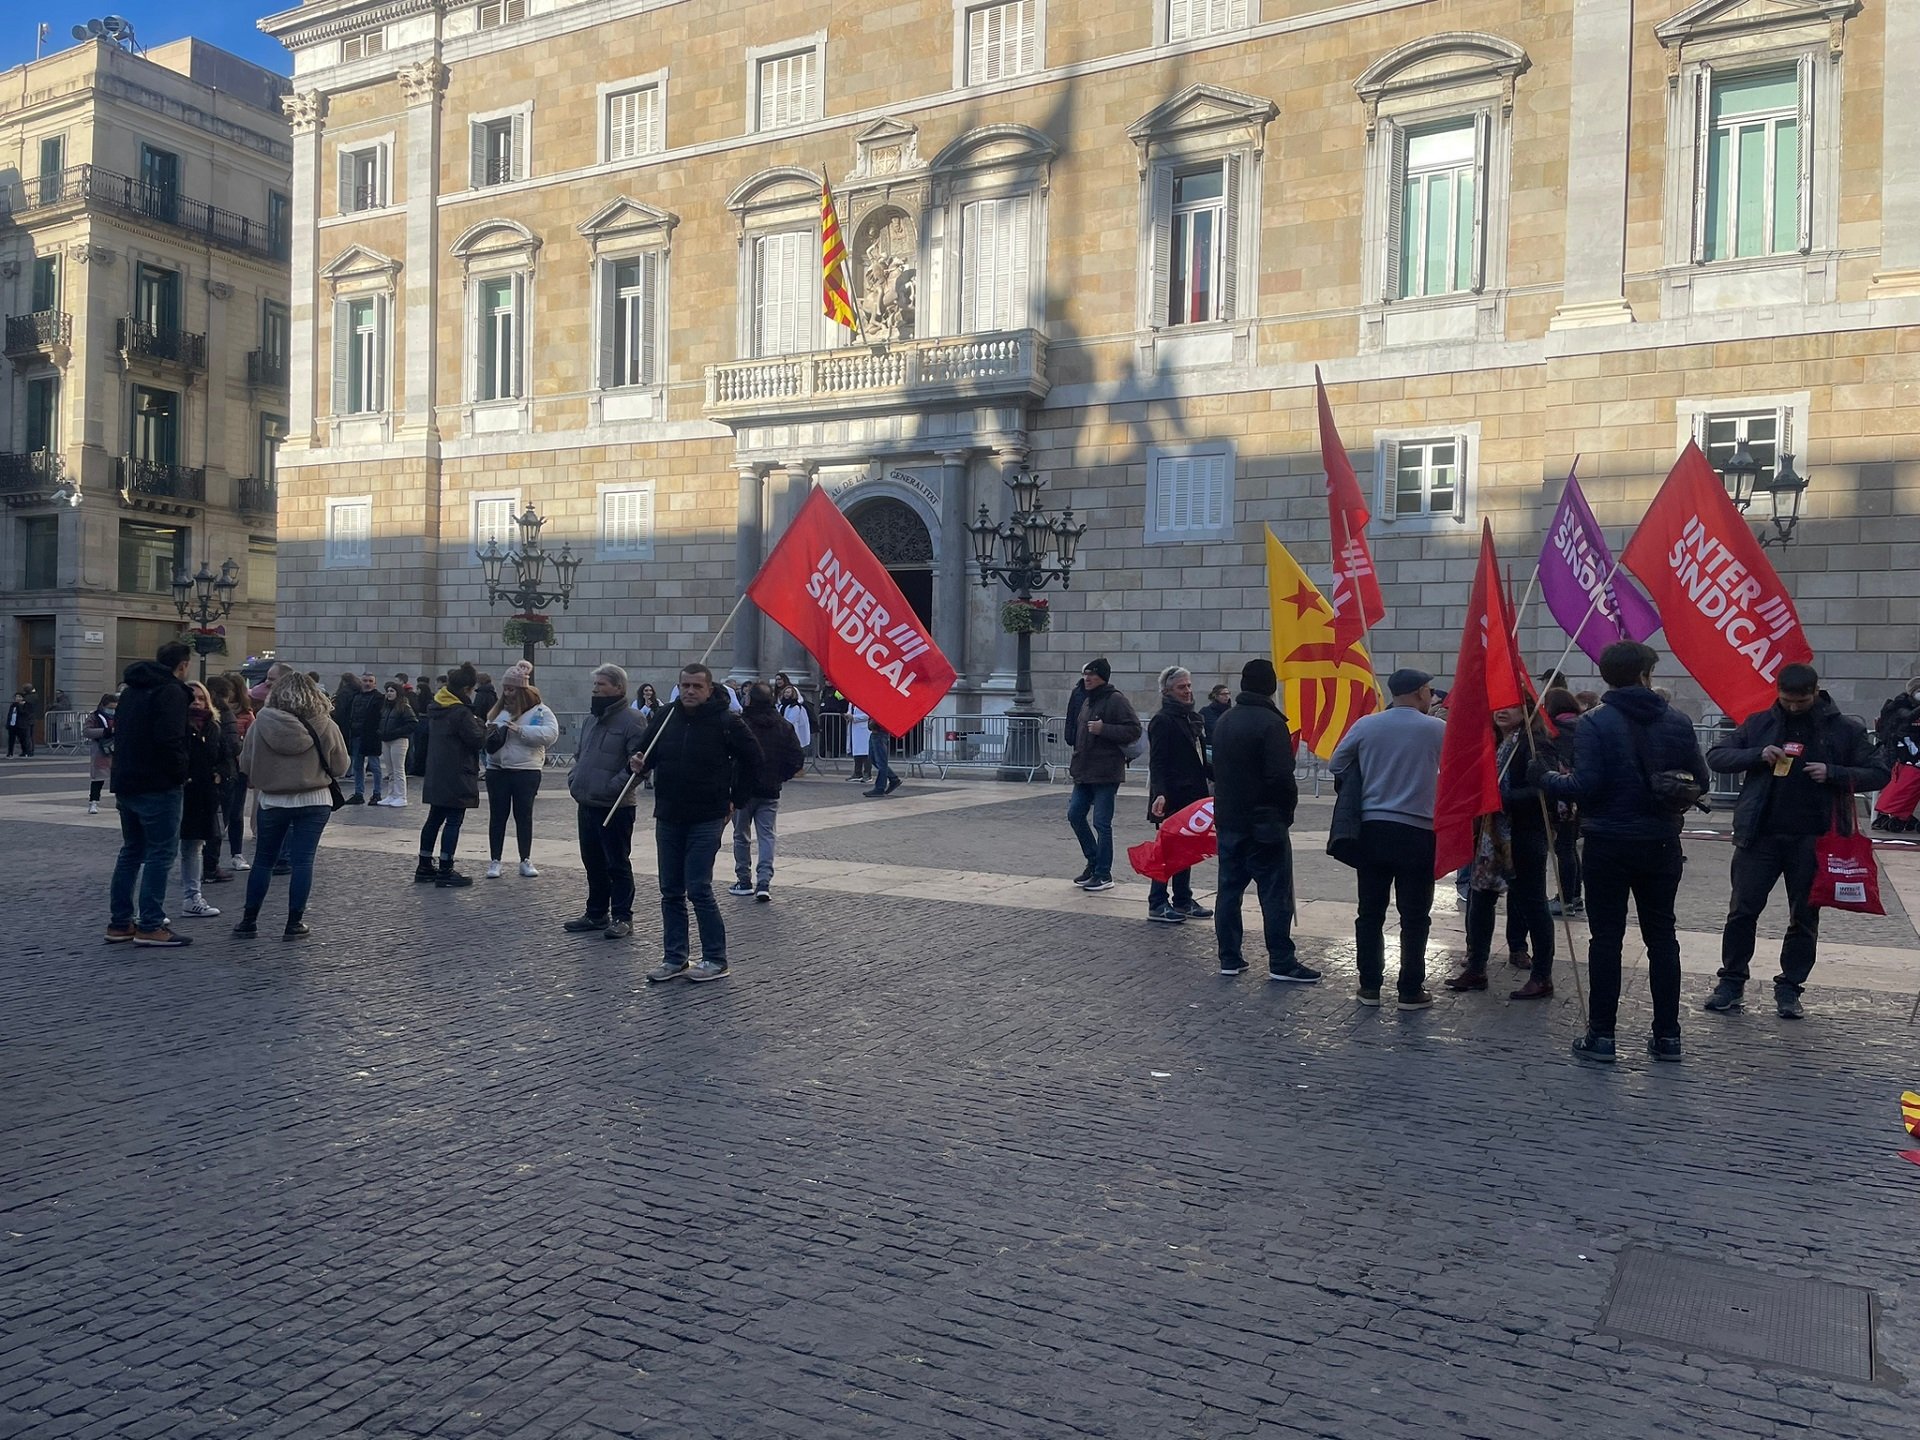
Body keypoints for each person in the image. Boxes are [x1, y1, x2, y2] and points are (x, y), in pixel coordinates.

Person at [1541, 641, 1709, 1064]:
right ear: (1645, 674)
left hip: (1607, 844)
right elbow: (1700, 781)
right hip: (1661, 842)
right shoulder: (1677, 721)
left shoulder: (1595, 723)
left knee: (1606, 941)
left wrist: (1545, 778)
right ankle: (1668, 1037)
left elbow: (1584, 786)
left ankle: (1602, 1037)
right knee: (1662, 938)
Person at [1703, 663, 1889, 1020]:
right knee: (1742, 911)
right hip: (1760, 835)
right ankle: (1731, 981)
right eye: (1787, 700)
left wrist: (1833, 773)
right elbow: (1718, 756)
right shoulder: (1760, 723)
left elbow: (1878, 771)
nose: (1793, 707)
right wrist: (1757, 754)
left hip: (1814, 838)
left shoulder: (1843, 729)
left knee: (1803, 916)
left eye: (1800, 701)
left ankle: (1790, 988)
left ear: (1815, 692)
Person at [634, 663, 760, 983]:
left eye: (697, 686)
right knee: (670, 890)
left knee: (698, 888)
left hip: (707, 815)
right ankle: (675, 957)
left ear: (709, 689)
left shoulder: (726, 721)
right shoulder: (664, 718)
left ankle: (716, 958)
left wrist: (737, 798)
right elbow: (644, 752)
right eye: (685, 686)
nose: (690, 691)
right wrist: (637, 762)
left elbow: (754, 759)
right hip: (669, 814)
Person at [1329, 668, 1446, 1010]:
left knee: (1370, 912)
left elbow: (1337, 763)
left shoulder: (1367, 724)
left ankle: (1369, 986)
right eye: (1428, 689)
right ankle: (1410, 989)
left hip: (1373, 829)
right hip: (1418, 832)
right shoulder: (1436, 729)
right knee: (1415, 916)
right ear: (1420, 692)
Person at [1211, 660, 1317, 982]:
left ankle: (1229, 956)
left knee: (1229, 890)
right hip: (1265, 823)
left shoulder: (1225, 720)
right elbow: (1280, 778)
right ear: (1271, 687)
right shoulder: (1272, 725)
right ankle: (1281, 961)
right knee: (1274, 895)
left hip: (1230, 820)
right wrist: (1286, 812)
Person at [1446, 703, 1555, 1000]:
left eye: (1511, 706)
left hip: (1521, 837)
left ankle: (1542, 975)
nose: (1501, 711)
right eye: (1497, 705)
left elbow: (1542, 790)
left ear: (1527, 710)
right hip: (1489, 837)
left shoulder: (1535, 744)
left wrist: (1498, 798)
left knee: (1532, 904)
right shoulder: (1494, 742)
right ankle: (1477, 967)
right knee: (1480, 898)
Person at [234, 670, 350, 940]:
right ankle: (294, 923)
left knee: (263, 861)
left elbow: (246, 763)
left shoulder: (262, 722)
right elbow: (340, 766)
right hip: (315, 797)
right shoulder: (325, 724)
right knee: (303, 861)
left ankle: (249, 921)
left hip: (273, 799)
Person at [104, 641, 193, 947]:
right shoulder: (171, 692)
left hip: (127, 781)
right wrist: (182, 772)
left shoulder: (131, 691)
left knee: (131, 851)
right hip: (158, 784)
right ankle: (151, 924)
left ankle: (120, 923)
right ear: (182, 666)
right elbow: (171, 739)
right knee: (160, 854)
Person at [564, 664, 650, 939]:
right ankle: (596, 912)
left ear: (618, 687)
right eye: (595, 685)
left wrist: (614, 788)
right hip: (587, 801)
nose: (595, 689)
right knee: (592, 861)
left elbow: (638, 764)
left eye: (601, 684)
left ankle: (622, 916)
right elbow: (581, 755)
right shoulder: (591, 719)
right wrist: (575, 780)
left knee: (617, 863)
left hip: (616, 805)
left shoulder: (633, 720)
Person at [1066, 658, 1142, 894]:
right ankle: (1093, 860)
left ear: (1103, 677)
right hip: (1084, 771)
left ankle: (1103, 873)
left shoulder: (1115, 699)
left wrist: (1104, 729)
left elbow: (1134, 729)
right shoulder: (1087, 700)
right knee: (1075, 815)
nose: (1087, 678)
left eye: (1092, 674)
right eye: (1085, 673)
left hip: (1106, 773)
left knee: (1102, 822)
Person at [1143, 665, 1213, 924]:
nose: (1187, 691)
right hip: (1172, 796)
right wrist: (1159, 793)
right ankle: (1157, 901)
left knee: (1186, 850)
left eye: (1189, 686)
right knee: (1166, 851)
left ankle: (1182, 898)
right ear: (1167, 691)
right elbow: (1157, 761)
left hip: (1193, 795)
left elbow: (1201, 759)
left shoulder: (1192, 718)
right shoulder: (1163, 720)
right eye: (1181, 687)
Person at [730, 682, 804, 901]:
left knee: (741, 835)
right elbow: (796, 759)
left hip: (743, 789)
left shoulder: (741, 724)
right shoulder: (783, 725)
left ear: (750, 700)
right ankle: (764, 881)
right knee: (767, 836)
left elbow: (729, 755)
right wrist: (780, 776)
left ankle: (744, 880)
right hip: (770, 789)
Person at [415, 663, 487, 888]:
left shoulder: (437, 707)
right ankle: (446, 869)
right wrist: (486, 727)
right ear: (466, 688)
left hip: (437, 772)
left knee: (434, 819)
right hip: (457, 772)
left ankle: (424, 865)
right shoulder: (460, 712)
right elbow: (476, 740)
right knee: (454, 820)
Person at [484, 679, 559, 878]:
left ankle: (525, 859)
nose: (507, 694)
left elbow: (551, 735)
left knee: (523, 815)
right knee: (497, 816)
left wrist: (521, 731)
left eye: (512, 690)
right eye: (505, 689)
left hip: (526, 769)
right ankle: (495, 860)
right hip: (497, 768)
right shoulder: (499, 710)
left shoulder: (541, 712)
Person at [176, 681, 233, 919]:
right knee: (163, 849)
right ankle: (147, 908)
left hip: (204, 794)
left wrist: (220, 773)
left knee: (194, 847)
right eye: (193, 698)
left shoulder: (213, 726)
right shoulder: (177, 726)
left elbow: (226, 755)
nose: (197, 702)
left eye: (201, 698)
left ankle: (193, 897)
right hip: (180, 792)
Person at [1540, 687, 1584, 918]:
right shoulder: (1582, 725)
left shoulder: (1556, 731)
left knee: (1563, 849)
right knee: (1570, 847)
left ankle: (1565, 899)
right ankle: (1575, 896)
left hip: (1561, 796)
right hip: (1577, 795)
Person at [211, 676, 255, 873]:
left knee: (235, 812)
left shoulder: (246, 714)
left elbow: (249, 741)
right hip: (224, 766)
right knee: (219, 815)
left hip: (237, 768)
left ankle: (235, 854)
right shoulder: (215, 714)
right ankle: (213, 857)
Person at [344, 673, 385, 804]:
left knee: (374, 766)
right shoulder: (355, 697)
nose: (367, 683)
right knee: (357, 766)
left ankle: (377, 793)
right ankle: (358, 793)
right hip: (357, 734)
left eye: (370, 681)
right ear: (361, 682)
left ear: (374, 683)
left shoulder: (379, 698)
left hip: (372, 736)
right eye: (365, 681)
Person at [377, 681, 415, 807]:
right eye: (388, 691)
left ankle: (401, 796)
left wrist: (396, 732)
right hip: (386, 740)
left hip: (399, 740)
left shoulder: (404, 707)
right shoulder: (385, 707)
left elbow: (412, 723)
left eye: (392, 691)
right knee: (390, 770)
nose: (389, 693)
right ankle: (391, 794)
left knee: (398, 769)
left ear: (398, 693)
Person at [84, 692, 117, 813]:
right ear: (103, 705)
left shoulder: (120, 716)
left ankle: (120, 801)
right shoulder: (94, 716)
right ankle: (93, 802)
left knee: (117, 776)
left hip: (116, 750)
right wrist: (106, 731)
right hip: (100, 750)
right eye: (110, 708)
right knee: (98, 778)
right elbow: (87, 731)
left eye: (115, 708)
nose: (112, 711)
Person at [864, 714, 901, 797]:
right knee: (873, 758)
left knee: (881, 762)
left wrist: (874, 722)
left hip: (879, 732)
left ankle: (880, 788)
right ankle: (893, 778)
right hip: (876, 732)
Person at [777, 682, 813, 757]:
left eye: (788, 692)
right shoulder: (781, 706)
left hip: (791, 731)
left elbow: (791, 719)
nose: (786, 694)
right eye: (785, 692)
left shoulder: (795, 707)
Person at [847, 700, 872, 783]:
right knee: (856, 751)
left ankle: (867, 774)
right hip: (854, 727)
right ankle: (857, 773)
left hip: (864, 728)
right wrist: (848, 716)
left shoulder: (866, 700)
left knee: (865, 753)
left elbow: (869, 715)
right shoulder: (851, 701)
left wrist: (854, 718)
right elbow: (850, 711)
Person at [6, 692, 28, 757]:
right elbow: (9, 714)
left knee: (22, 739)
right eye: (16, 697)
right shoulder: (13, 705)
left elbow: (23, 713)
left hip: (20, 725)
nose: (17, 698)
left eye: (19, 697)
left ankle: (25, 752)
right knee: (11, 740)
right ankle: (10, 752)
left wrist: (19, 705)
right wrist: (8, 723)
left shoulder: (25, 705)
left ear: (22, 698)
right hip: (12, 724)